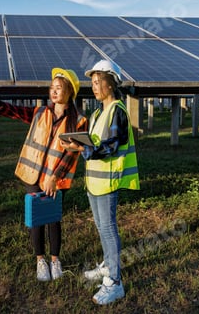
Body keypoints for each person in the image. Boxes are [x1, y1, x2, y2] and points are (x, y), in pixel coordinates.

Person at [0, 67, 87, 282]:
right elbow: (13, 110)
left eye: (59, 88)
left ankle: (55, 260)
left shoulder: (78, 121)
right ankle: (40, 260)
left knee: (54, 219)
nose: (54, 91)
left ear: (70, 92)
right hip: (32, 175)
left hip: (55, 180)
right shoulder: (40, 113)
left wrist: (54, 178)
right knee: (37, 218)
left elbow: (70, 155)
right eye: (52, 88)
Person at [60, 59, 140, 305]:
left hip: (107, 182)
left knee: (108, 229)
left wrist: (81, 148)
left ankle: (115, 283)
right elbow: (92, 143)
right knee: (101, 227)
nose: (94, 87)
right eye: (92, 83)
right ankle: (107, 266)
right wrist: (76, 145)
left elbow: (110, 146)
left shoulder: (117, 110)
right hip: (93, 181)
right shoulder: (97, 113)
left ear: (111, 83)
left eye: (98, 82)